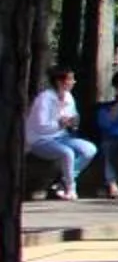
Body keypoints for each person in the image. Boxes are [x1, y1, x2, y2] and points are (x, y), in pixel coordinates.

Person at [23, 67, 97, 200]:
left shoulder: (69, 97)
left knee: (89, 149)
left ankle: (64, 180)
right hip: (40, 140)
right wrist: (60, 124)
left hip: (62, 137)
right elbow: (41, 126)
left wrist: (73, 122)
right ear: (59, 81)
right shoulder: (45, 99)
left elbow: (73, 117)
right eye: (70, 79)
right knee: (67, 152)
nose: (73, 82)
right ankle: (70, 188)